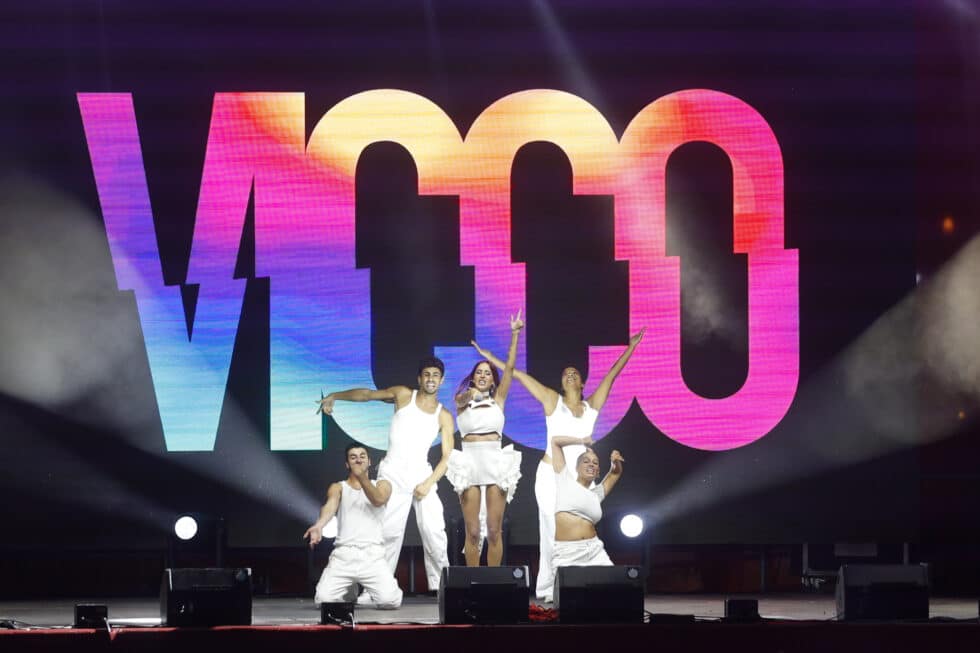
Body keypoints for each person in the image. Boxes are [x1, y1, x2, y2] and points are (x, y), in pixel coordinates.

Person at [472, 328, 644, 601]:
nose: (570, 374)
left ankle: (575, 580)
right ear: (562, 384)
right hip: (551, 474)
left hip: (576, 480)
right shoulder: (553, 401)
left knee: (578, 524)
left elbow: (612, 376)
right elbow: (518, 375)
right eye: (566, 373)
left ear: (583, 383)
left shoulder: (591, 407)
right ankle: (547, 588)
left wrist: (631, 348)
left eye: (575, 373)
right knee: (550, 528)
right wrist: (489, 356)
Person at [318, 357, 453, 593]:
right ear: (420, 378)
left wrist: (429, 483)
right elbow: (367, 395)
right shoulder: (403, 395)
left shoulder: (444, 415)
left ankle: (445, 590)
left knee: (435, 532)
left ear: (441, 381)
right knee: (388, 533)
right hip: (393, 472)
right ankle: (376, 589)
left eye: (436, 375)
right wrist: (335, 395)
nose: (431, 379)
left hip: (422, 475)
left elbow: (447, 457)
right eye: (427, 374)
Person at [446, 311, 524, 566]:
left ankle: (493, 582)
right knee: (473, 532)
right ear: (473, 376)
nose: (482, 375)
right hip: (470, 462)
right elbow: (459, 399)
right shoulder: (464, 400)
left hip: (494, 460)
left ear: (493, 380)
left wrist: (515, 334)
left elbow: (510, 368)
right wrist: (473, 395)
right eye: (478, 372)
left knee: (493, 530)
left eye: (487, 373)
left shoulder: (498, 400)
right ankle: (472, 580)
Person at [304, 443, 403, 609]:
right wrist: (319, 525)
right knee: (323, 600)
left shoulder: (383, 484)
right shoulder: (338, 487)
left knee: (389, 602)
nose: (358, 460)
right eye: (353, 457)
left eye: (362, 456)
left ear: (369, 461)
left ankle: (355, 588)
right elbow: (330, 506)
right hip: (344, 555)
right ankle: (349, 589)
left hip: (372, 555)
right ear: (347, 464)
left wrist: (362, 476)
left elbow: (378, 500)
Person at [550, 437, 624, 569]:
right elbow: (555, 442)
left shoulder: (596, 495)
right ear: (576, 467)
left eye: (595, 463)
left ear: (597, 472)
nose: (591, 464)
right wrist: (581, 441)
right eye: (586, 461)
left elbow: (615, 474)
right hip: (567, 552)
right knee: (568, 588)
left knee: (615, 586)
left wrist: (615, 463)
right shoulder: (565, 480)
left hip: (595, 550)